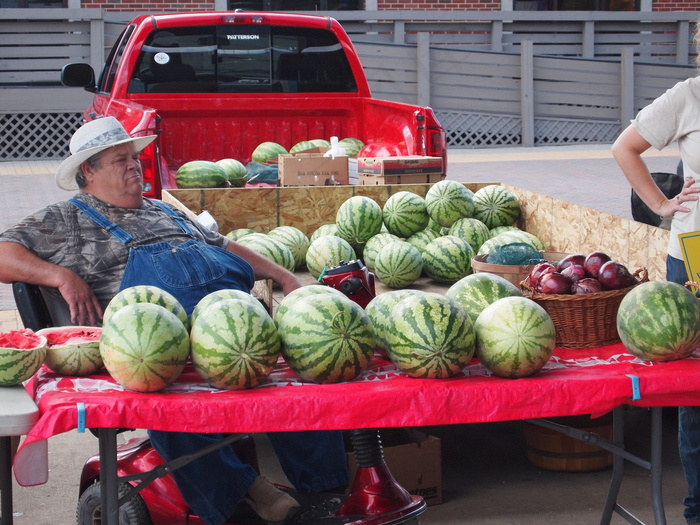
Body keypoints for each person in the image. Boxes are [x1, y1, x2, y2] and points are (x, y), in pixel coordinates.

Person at [0, 117, 348, 525]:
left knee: (306, 379)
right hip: (165, 346)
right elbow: (4, 255)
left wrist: (284, 276)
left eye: (135, 157)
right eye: (120, 160)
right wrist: (62, 276)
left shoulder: (165, 209)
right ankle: (243, 499)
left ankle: (325, 492)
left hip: (241, 329)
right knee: (168, 406)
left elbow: (225, 246)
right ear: (88, 172)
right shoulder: (66, 220)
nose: (135, 166)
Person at [611, 17, 700, 525]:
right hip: (694, 257)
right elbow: (626, 147)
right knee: (696, 391)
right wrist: (661, 203)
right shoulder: (689, 96)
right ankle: (696, 509)